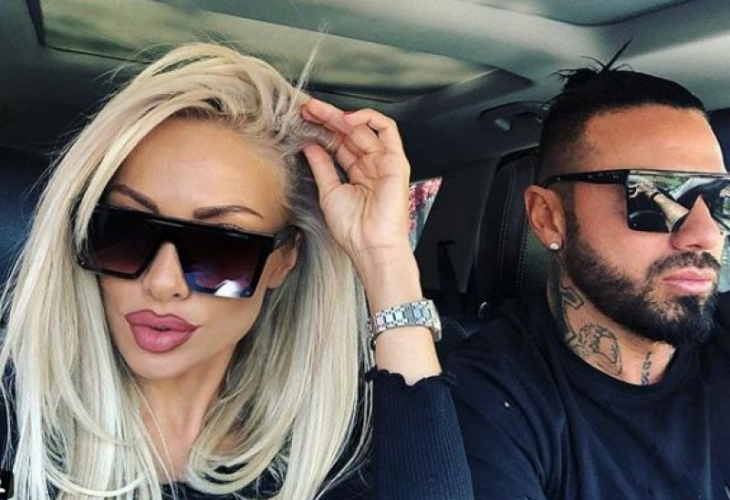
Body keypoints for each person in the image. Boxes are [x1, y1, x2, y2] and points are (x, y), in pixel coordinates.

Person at [0, 43, 472, 499]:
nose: (162, 283)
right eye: (126, 231)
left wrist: (385, 257)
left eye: (220, 246)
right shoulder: (15, 416)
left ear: (283, 260)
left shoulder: (334, 459)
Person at [445, 59, 730, 498]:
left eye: (721, 200)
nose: (706, 234)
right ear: (548, 217)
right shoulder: (487, 396)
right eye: (655, 195)